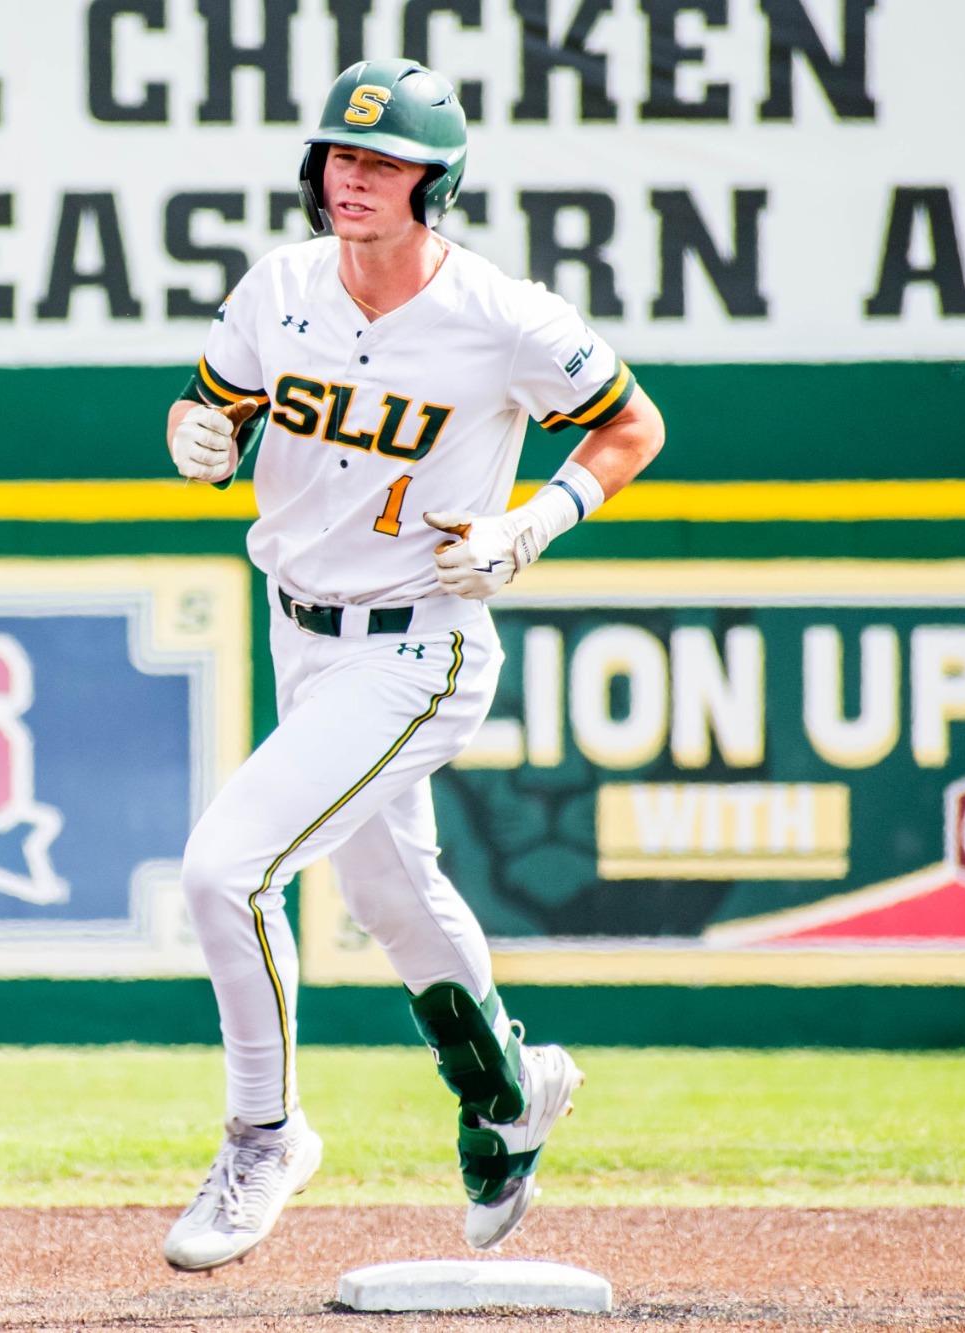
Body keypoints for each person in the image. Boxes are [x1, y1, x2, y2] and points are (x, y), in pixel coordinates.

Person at [159, 58, 666, 1272]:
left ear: (435, 184)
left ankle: (264, 1135)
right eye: (341, 154)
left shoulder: (500, 315)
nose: (355, 179)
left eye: (384, 162)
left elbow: (633, 424)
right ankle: (506, 1092)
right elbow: (214, 414)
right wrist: (196, 439)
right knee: (390, 897)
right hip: (300, 629)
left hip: (419, 644)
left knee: (224, 874)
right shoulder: (276, 287)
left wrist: (531, 522)